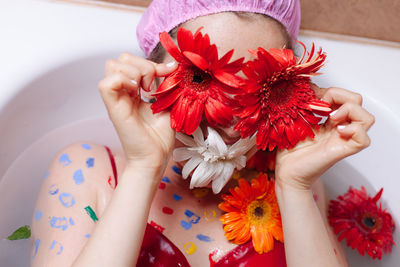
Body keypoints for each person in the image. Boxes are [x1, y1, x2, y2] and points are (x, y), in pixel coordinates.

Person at [30, 0, 375, 266]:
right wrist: (143, 168)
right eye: (202, 78)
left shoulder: (298, 182)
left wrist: (295, 188)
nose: (231, 118)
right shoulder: (88, 171)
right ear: (153, 76)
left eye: (260, 85)